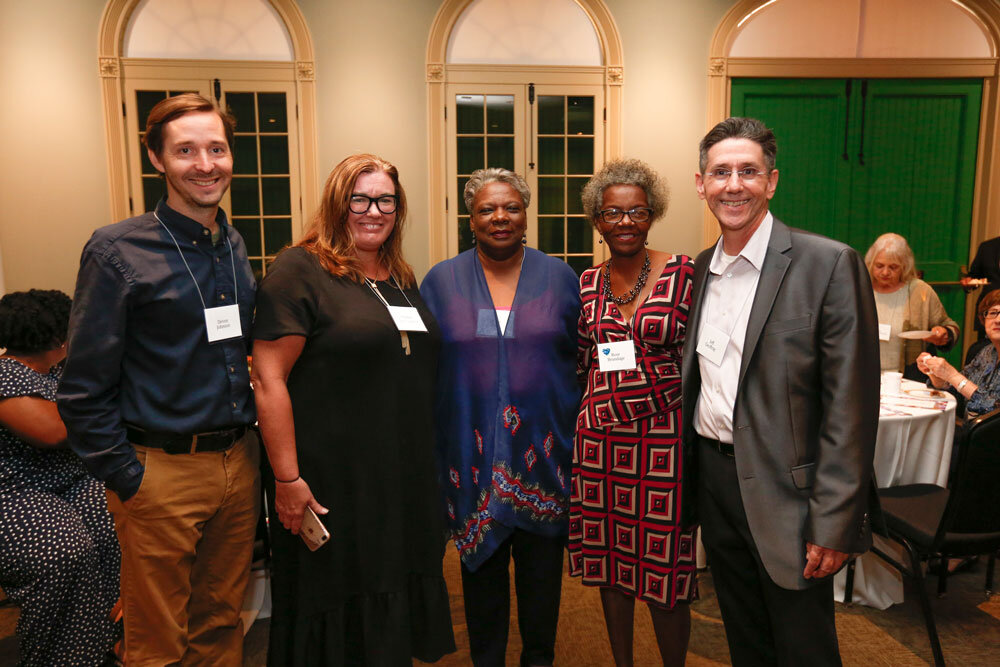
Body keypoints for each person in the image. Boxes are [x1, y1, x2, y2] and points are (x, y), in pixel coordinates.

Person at [57, 93, 260, 665]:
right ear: (157, 159)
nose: (205, 164)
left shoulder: (233, 243)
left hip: (237, 464)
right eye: (186, 151)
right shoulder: (117, 249)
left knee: (222, 623)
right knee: (156, 638)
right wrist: (128, 477)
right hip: (159, 472)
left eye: (216, 149)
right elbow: (82, 384)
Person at [681, 117, 880, 666]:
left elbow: (852, 409)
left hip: (789, 493)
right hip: (715, 480)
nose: (733, 184)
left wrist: (835, 521)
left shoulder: (829, 264)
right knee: (744, 637)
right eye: (721, 172)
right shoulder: (701, 271)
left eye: (748, 171)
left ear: (772, 181)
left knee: (803, 647)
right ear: (701, 184)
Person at [252, 153, 455, 665]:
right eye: (358, 199)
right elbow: (268, 377)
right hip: (332, 478)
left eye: (385, 199)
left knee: (390, 591)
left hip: (398, 474)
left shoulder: (399, 275)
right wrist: (286, 477)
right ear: (337, 203)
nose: (373, 210)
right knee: (336, 603)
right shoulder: (300, 269)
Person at [420, 168, 580, 667]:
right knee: (481, 591)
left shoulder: (560, 277)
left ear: (526, 214)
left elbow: (584, 357)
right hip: (471, 460)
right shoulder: (441, 280)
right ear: (471, 218)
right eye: (487, 209)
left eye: (511, 207)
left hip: (544, 459)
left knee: (541, 591)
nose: (500, 217)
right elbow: (423, 366)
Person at [567, 158, 696, 666]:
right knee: (609, 564)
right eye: (612, 213)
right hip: (599, 441)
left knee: (667, 572)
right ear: (597, 219)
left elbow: (702, 356)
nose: (625, 222)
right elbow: (583, 358)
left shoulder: (684, 271)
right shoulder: (585, 283)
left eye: (636, 212)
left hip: (663, 441)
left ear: (652, 215)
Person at [0, 290, 120, 667]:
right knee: (66, 548)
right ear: (56, 338)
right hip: (17, 495)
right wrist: (106, 403)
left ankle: (116, 641)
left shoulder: (57, 370)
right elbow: (52, 431)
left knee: (118, 521)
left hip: (73, 484)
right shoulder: (5, 377)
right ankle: (63, 656)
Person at [864, 232, 959, 374]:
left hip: (907, 377)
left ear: (904, 266)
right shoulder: (859, 288)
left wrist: (943, 334)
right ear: (870, 263)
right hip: (862, 374)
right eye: (879, 266)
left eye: (893, 267)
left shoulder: (919, 291)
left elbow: (950, 327)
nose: (885, 272)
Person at [917, 288, 1000, 419]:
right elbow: (958, 392)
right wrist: (936, 374)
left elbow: (994, 409)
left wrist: (952, 375)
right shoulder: (986, 352)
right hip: (973, 432)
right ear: (983, 319)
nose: (998, 320)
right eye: (993, 313)